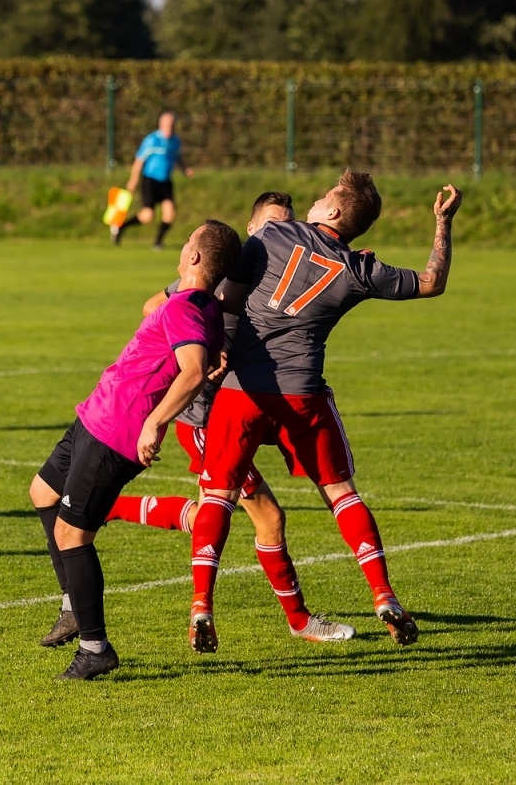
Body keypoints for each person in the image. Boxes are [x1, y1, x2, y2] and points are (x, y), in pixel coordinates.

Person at [187, 170, 462, 653]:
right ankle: (383, 594)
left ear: (333, 212)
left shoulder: (274, 234)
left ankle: (202, 607)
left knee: (219, 495)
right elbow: (432, 281)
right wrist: (443, 223)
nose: (313, 202)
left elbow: (221, 288)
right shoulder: (360, 268)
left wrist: (209, 343)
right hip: (302, 393)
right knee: (341, 494)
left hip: (242, 391)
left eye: (321, 198)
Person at [99, 192, 354, 644]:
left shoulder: (281, 274)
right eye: (275, 224)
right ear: (254, 228)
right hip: (204, 420)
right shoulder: (224, 274)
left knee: (207, 518)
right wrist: (203, 341)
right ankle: (298, 621)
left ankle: (108, 508)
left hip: (238, 416)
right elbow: (153, 308)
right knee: (268, 519)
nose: (286, 232)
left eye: (291, 223)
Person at [29, 220, 243, 680]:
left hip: (118, 432)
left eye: (188, 240)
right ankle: (73, 604)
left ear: (196, 258)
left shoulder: (189, 306)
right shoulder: (201, 305)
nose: (183, 244)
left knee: (73, 535)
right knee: (42, 492)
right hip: (98, 415)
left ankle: (94, 648)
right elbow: (203, 362)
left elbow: (191, 371)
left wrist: (154, 422)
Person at [112, 110, 194, 250]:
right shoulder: (152, 140)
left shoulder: (175, 141)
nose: (170, 128)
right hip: (150, 181)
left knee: (170, 214)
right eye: (167, 125)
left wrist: (185, 169)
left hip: (166, 181)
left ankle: (157, 242)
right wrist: (133, 180)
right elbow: (139, 161)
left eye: (172, 125)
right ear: (160, 124)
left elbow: (177, 157)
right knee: (147, 216)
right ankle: (120, 227)